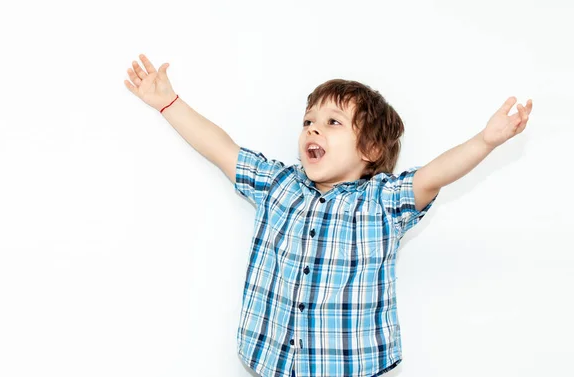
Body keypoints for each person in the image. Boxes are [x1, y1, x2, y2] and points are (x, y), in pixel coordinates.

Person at [124, 54, 533, 377]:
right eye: (308, 121)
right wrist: (169, 103)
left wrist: (485, 141)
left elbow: (433, 176)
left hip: (348, 365)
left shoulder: (381, 202)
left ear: (370, 151)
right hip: (270, 360)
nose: (312, 130)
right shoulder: (279, 184)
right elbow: (220, 147)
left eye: (332, 123)